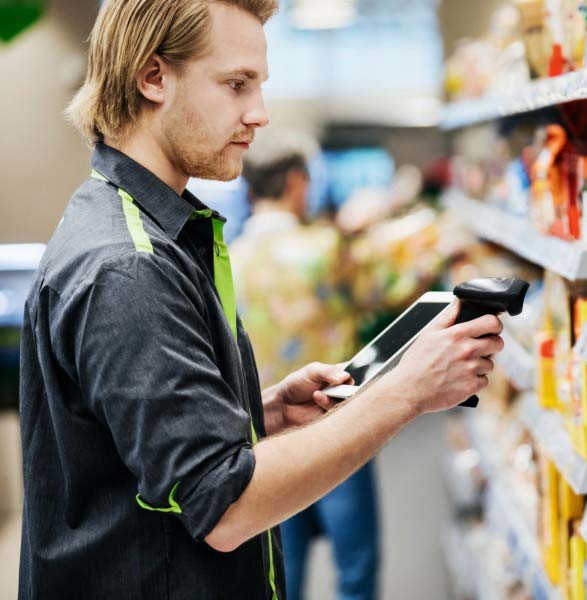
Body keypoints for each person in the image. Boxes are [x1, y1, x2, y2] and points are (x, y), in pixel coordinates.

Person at [18, 1, 503, 599]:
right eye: (236, 84)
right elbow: (225, 506)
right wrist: (407, 392)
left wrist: (256, 413)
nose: (260, 113)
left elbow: (132, 447)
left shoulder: (137, 226)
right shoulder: (129, 265)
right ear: (153, 77)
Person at [230, 136, 379, 600]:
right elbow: (381, 290)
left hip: (265, 437)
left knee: (282, 569)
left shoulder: (227, 259)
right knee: (354, 566)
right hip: (335, 421)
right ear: (297, 182)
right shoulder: (324, 248)